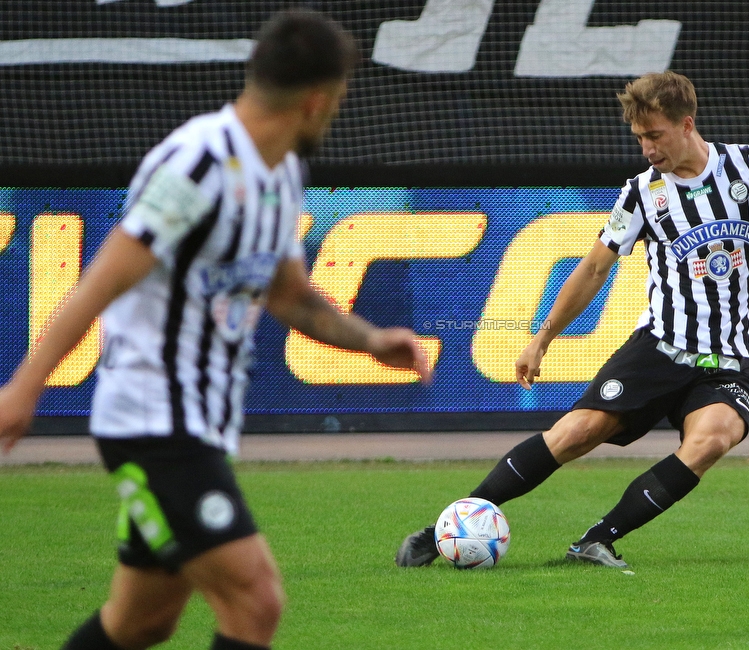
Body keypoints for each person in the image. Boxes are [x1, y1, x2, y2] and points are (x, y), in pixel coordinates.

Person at [0, 10, 430, 650]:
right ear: (317, 99)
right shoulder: (197, 163)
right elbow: (101, 279)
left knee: (141, 622)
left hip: (201, 422)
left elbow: (289, 297)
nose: (337, 110)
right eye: (339, 98)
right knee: (256, 601)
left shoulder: (281, 172)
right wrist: (22, 391)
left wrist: (370, 340)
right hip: (154, 423)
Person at [396, 71, 749, 569]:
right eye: (639, 138)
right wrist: (542, 339)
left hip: (725, 360)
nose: (647, 148)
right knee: (577, 433)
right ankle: (445, 527)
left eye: (654, 135)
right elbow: (593, 269)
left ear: (686, 124)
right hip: (656, 349)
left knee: (714, 437)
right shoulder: (641, 193)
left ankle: (596, 540)